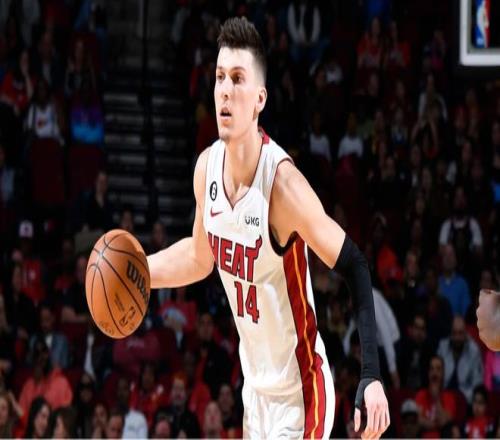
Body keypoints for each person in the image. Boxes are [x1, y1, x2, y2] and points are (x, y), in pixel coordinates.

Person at [146, 17, 389, 439]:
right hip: (255, 396)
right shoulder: (206, 169)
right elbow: (200, 256)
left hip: (301, 393)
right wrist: (140, 272)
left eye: (238, 78)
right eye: (220, 77)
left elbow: (354, 263)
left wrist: (371, 376)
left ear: (259, 99)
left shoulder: (282, 186)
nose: (225, 89)